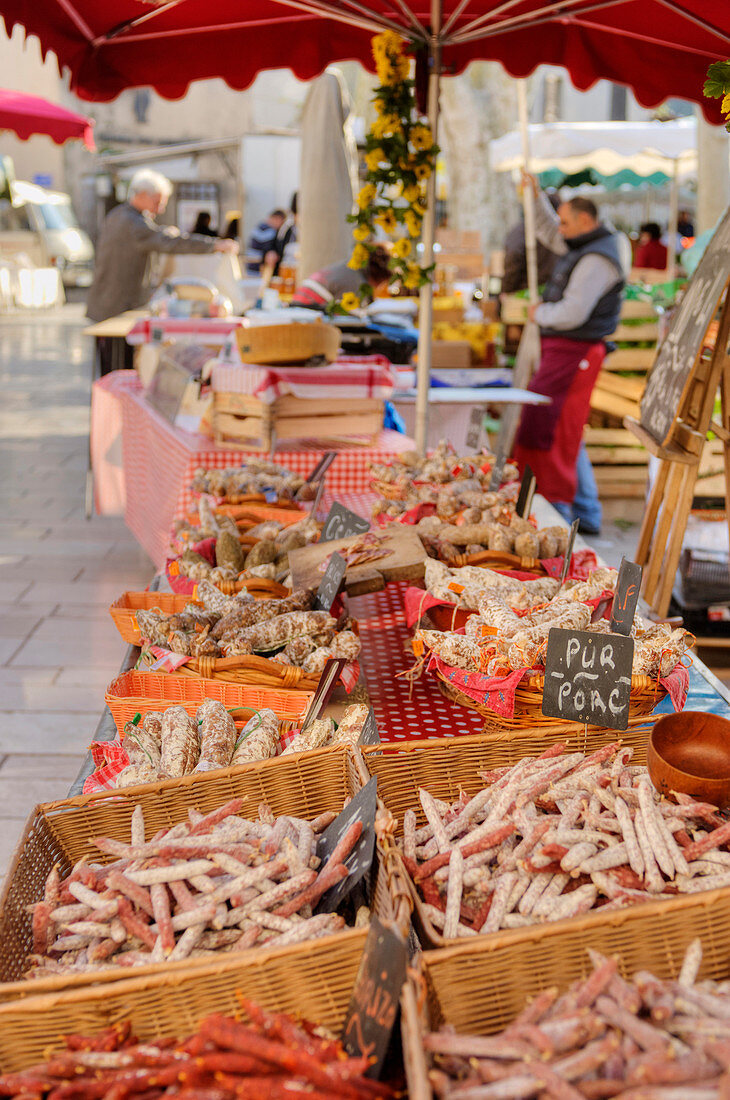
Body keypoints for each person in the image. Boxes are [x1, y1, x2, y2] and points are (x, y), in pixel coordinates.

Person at [513, 179, 625, 535]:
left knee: (554, 428)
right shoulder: (585, 244)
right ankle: (586, 512)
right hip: (567, 351)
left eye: (566, 222)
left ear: (585, 221)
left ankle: (558, 518)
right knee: (562, 428)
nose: (560, 229)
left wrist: (539, 313)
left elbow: (573, 312)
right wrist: (533, 200)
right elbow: (548, 230)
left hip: (575, 351)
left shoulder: (597, 258)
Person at [87, 169, 237, 373]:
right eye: (158, 201)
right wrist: (214, 246)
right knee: (118, 368)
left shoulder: (120, 216)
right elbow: (168, 242)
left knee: (113, 366)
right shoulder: (133, 223)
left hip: (109, 302)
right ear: (142, 195)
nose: (161, 207)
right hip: (117, 305)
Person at [290, 245, 390, 309]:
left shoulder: (348, 265)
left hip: (298, 302)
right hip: (311, 308)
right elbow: (355, 314)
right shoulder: (358, 282)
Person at [501, 192, 561, 293]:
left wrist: (506, 289)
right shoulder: (524, 231)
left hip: (525, 292)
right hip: (544, 290)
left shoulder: (522, 230)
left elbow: (513, 258)